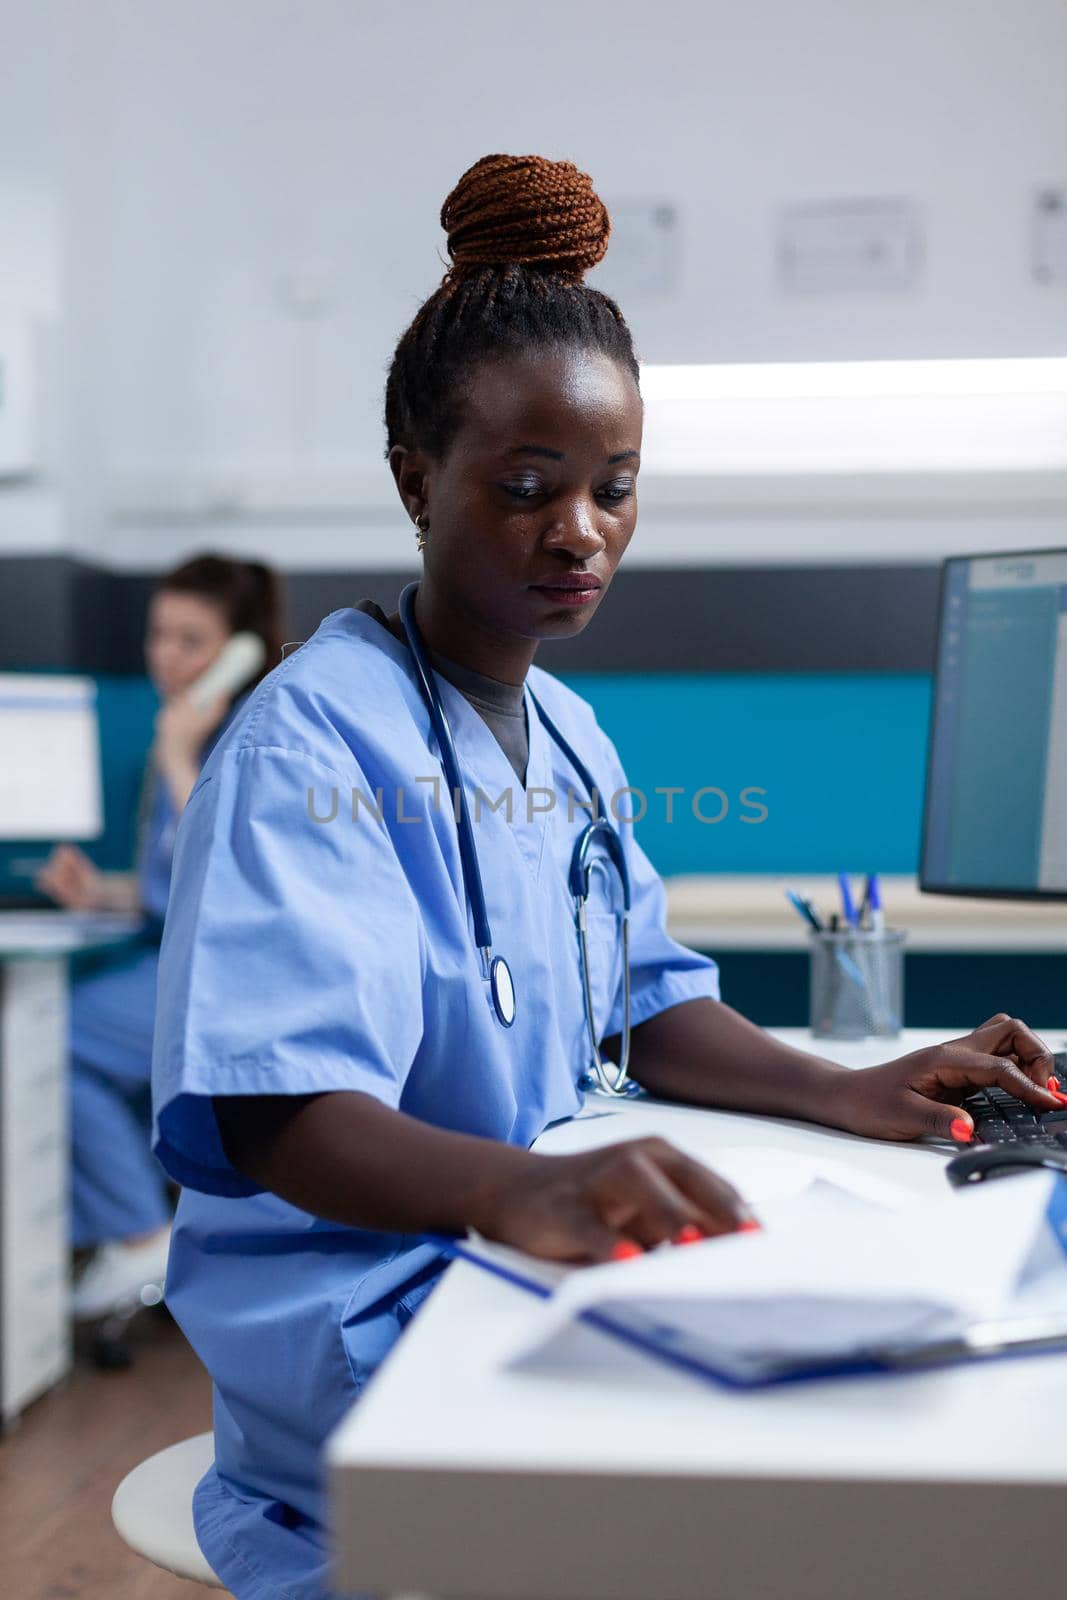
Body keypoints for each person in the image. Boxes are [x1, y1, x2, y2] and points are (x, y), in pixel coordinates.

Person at [151, 155, 1064, 1600]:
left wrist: (846, 1084)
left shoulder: (569, 734)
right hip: (369, 1323)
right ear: (415, 480)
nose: (578, 531)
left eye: (613, 491)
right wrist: (520, 1189)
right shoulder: (312, 739)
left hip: (511, 1262)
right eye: (526, 488)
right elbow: (278, 1114)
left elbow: (638, 994)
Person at [37, 554, 285, 1319]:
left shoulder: (249, 740)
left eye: (192, 641)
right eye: (158, 635)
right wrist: (105, 890)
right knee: (48, 1029)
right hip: (168, 958)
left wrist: (181, 754)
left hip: (220, 976)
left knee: (51, 1041)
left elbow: (226, 884)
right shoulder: (179, 736)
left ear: (238, 654)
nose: (166, 657)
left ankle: (140, 1231)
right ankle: (132, 1223)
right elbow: (170, 886)